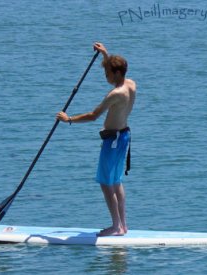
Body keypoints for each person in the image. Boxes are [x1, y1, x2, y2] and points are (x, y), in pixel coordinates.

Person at [56, 42, 136, 236]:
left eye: (107, 74)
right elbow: (115, 68)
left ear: (116, 73)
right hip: (124, 136)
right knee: (116, 181)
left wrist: (69, 120)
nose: (106, 77)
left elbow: (93, 115)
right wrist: (105, 55)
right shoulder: (131, 84)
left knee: (106, 182)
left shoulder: (116, 94)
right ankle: (123, 226)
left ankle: (116, 226)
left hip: (113, 141)